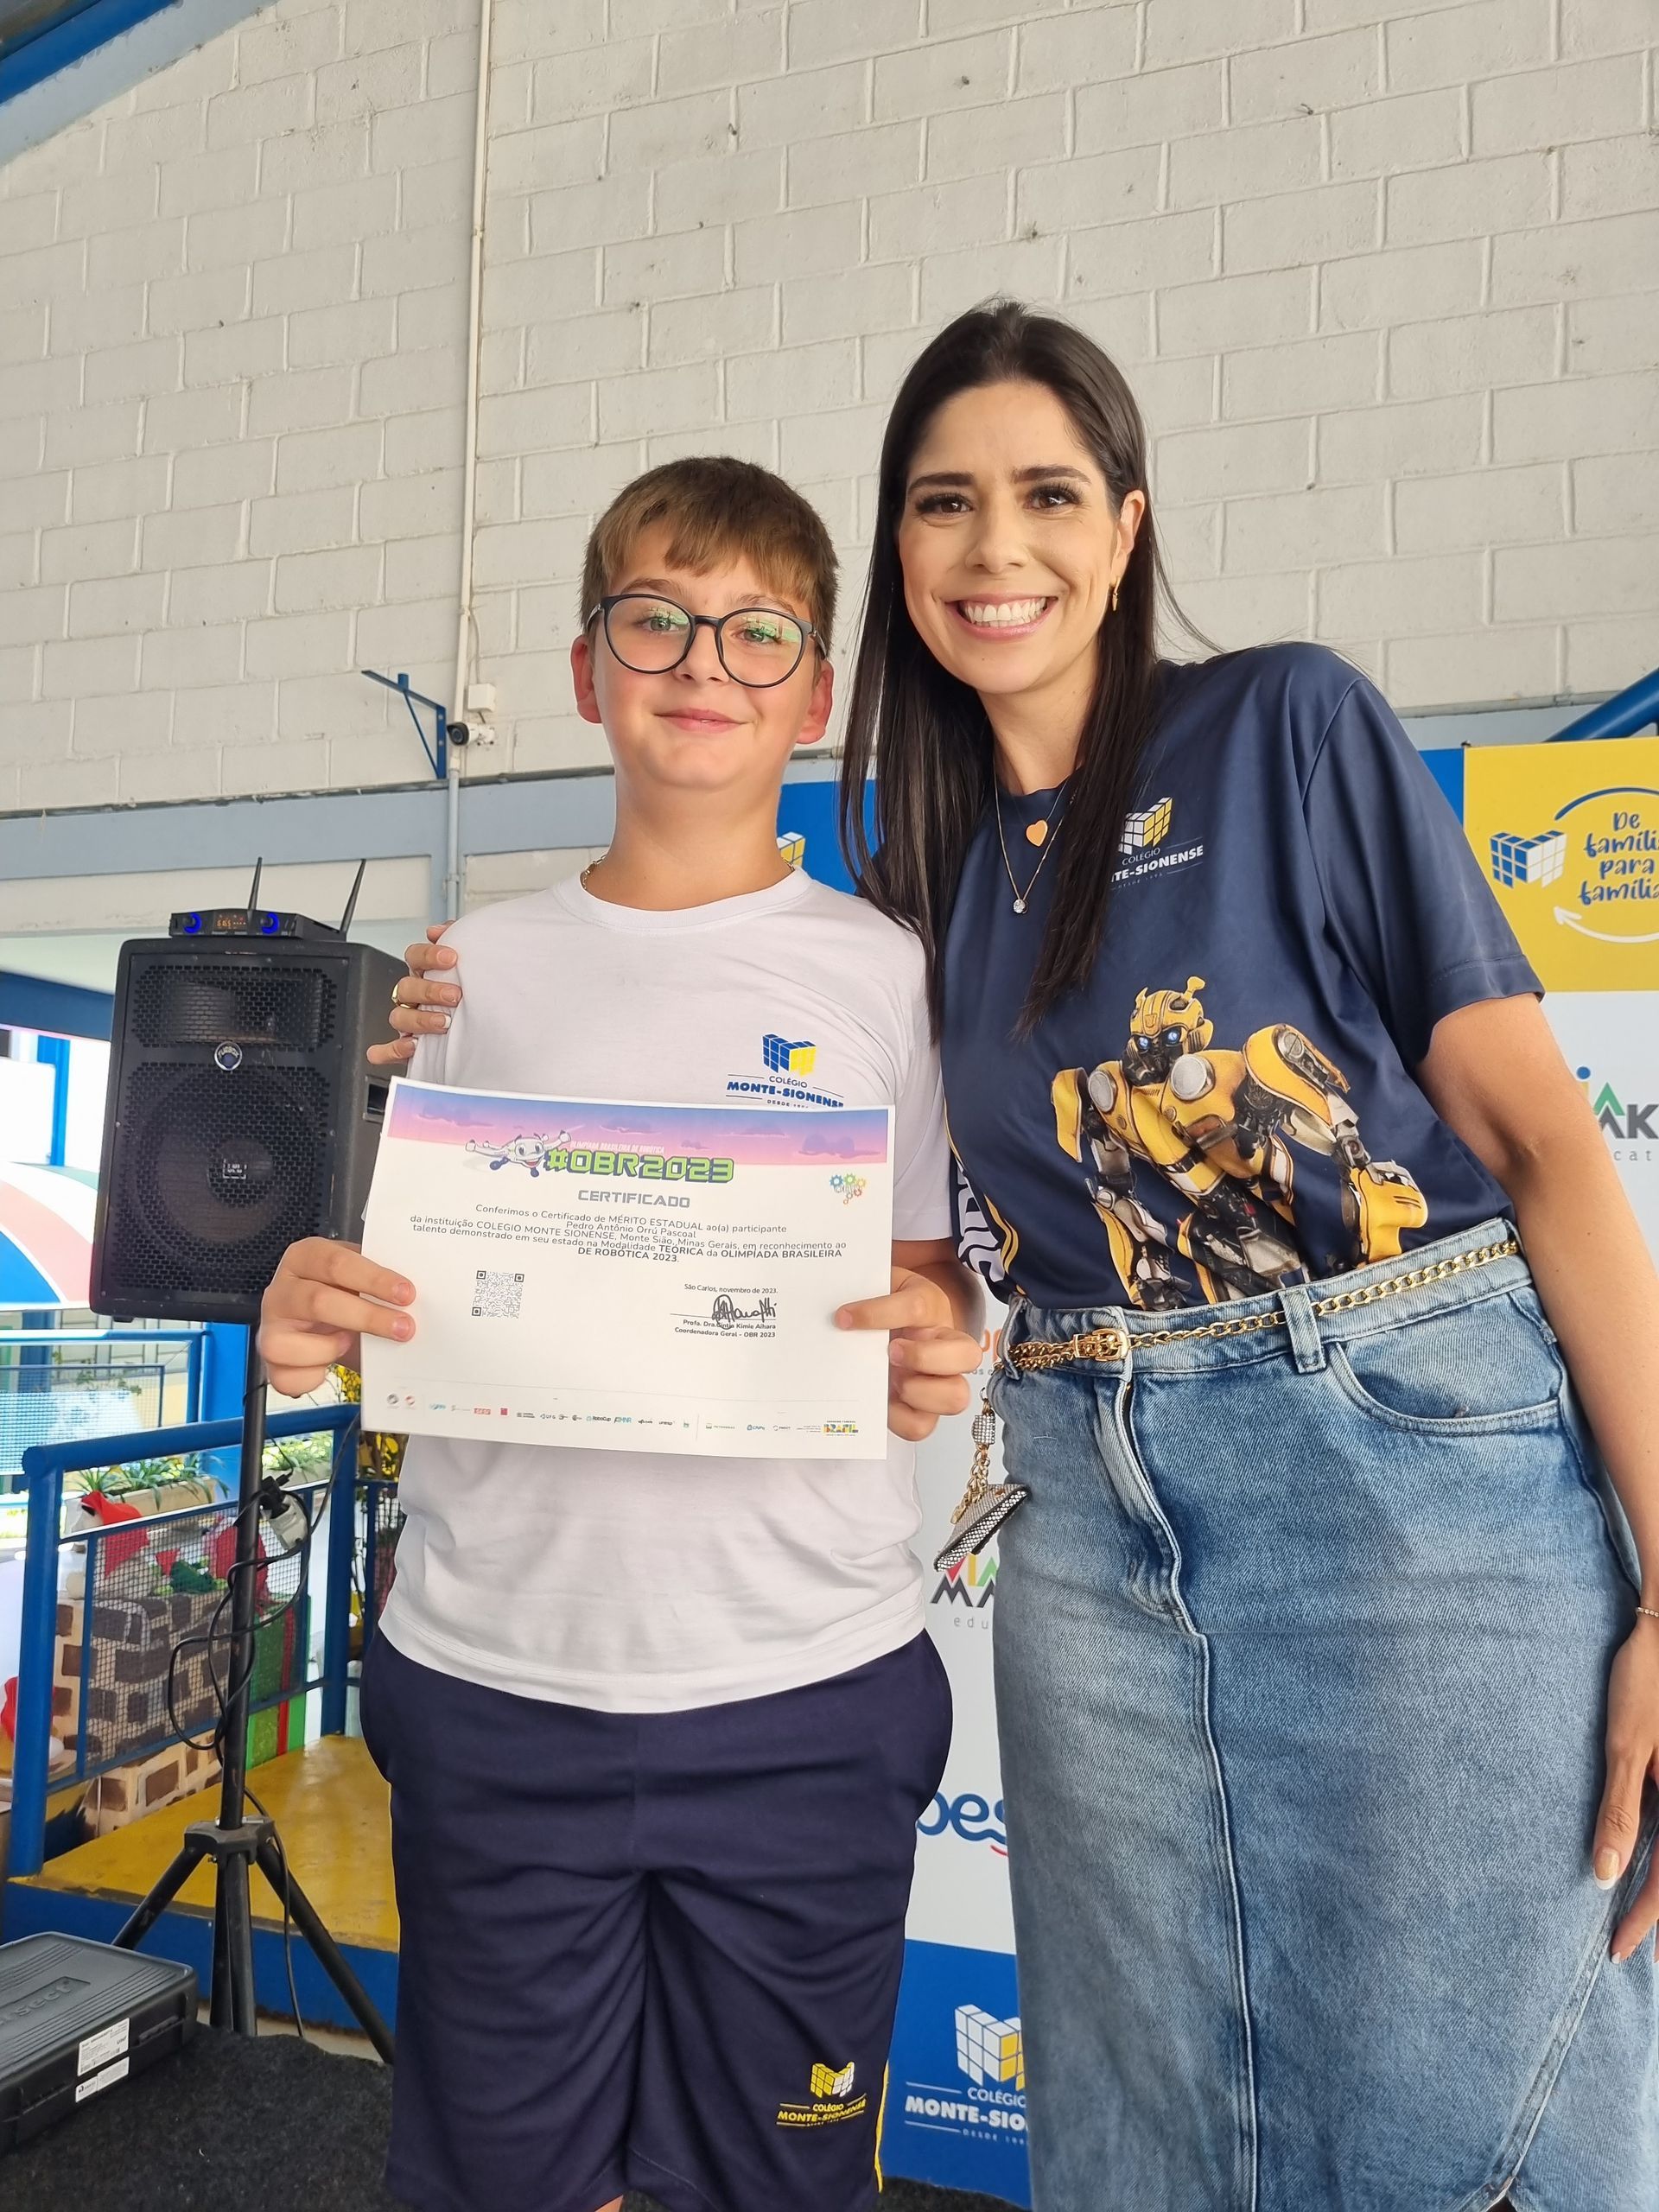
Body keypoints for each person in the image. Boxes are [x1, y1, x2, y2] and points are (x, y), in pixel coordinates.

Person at [386, 308, 1659, 2212]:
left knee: (1456, 2116)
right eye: (944, 503)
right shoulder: (925, 891)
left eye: (1049, 495)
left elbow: (1547, 1148)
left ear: (1126, 528)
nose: (998, 548)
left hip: (1402, 1458)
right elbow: (925, 1257)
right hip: (1090, 1502)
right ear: (899, 551)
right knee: (1142, 2121)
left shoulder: (1287, 725)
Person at [257, 455, 983, 2212]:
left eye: (756, 632)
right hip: (498, 1679)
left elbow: (928, 1275)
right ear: (589, 671)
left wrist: (934, 1330)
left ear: (816, 692)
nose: (703, 663)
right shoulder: (466, 973)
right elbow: (413, 1299)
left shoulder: (890, 973)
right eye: (656, 620)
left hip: (803, 1685)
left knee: (777, 2184)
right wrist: (310, 1322)